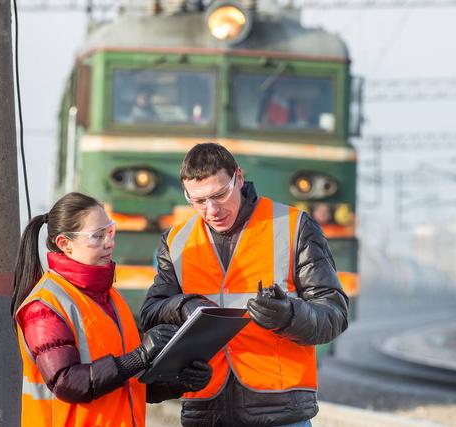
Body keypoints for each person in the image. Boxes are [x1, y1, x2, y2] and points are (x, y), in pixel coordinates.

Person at [140, 143, 349, 426]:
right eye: (198, 201)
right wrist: (185, 306)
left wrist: (288, 315)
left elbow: (334, 314)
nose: (211, 210)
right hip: (206, 410)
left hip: (280, 411)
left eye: (219, 194)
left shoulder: (294, 226)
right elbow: (151, 312)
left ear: (238, 177)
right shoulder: (176, 241)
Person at [10, 192, 212, 426]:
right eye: (97, 236)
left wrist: (180, 382)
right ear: (65, 244)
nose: (109, 243)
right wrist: (139, 357)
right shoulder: (43, 307)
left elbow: (131, 383)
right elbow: (67, 383)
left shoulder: (112, 298)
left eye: (110, 232)